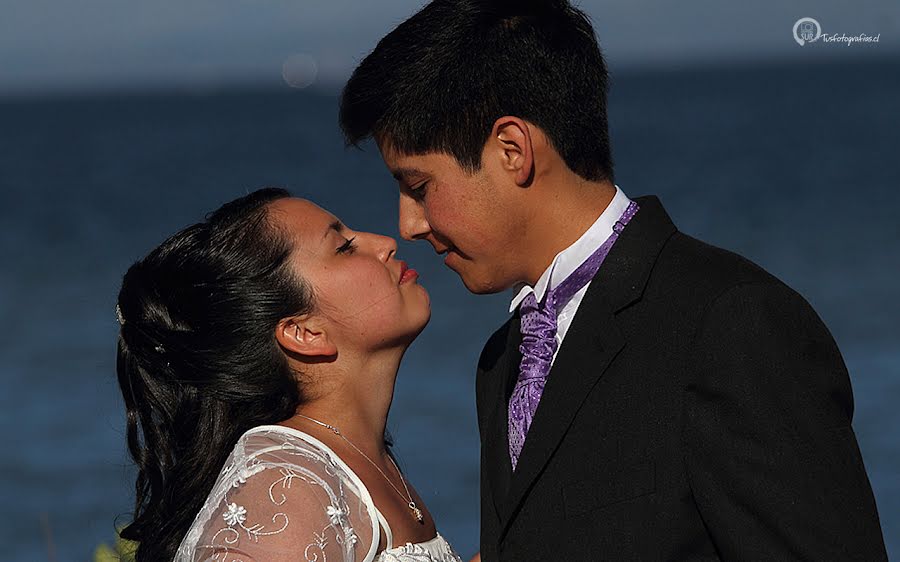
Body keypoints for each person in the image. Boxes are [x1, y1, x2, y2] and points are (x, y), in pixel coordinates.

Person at [339, 0, 888, 560]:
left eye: (419, 186)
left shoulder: (731, 324)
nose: (408, 224)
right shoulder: (501, 361)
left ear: (512, 150)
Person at [115, 188, 463, 562]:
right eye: (344, 247)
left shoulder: (348, 459)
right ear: (305, 333)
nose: (386, 243)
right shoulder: (285, 486)